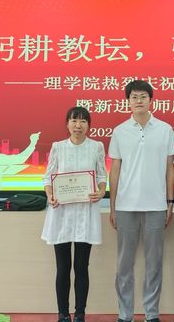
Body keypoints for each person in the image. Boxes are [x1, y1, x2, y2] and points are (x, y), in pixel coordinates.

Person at [108, 80, 174, 322]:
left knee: (154, 264)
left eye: (143, 97)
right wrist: (113, 206)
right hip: (126, 206)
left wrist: (170, 202)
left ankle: (152, 314)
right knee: (124, 265)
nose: (139, 101)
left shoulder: (165, 129)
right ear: (128, 101)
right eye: (134, 97)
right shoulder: (120, 131)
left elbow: (170, 169)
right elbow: (115, 170)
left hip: (156, 206)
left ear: (150, 100)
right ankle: (125, 314)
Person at [41, 107, 107, 322]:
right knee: (63, 267)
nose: (78, 126)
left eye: (83, 121)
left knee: (81, 266)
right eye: (74, 121)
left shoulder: (96, 147)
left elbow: (102, 175)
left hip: (85, 212)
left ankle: (79, 314)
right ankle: (63, 314)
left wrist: (101, 191)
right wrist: (50, 195)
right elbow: (48, 177)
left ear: (89, 125)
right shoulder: (58, 147)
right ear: (67, 124)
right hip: (62, 212)